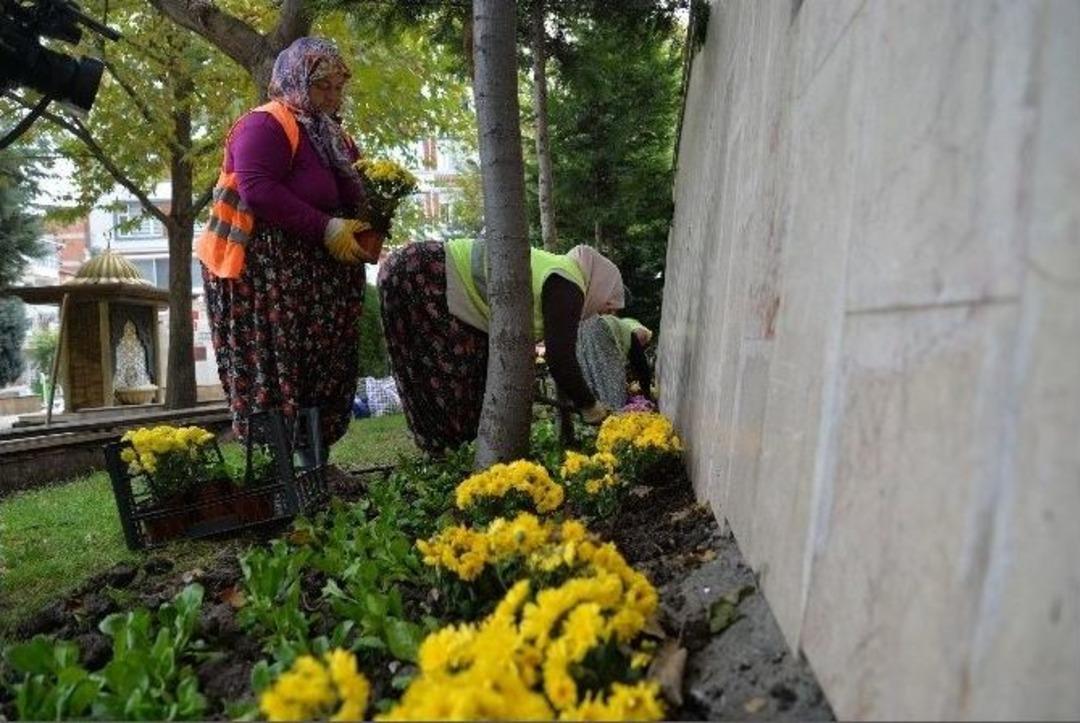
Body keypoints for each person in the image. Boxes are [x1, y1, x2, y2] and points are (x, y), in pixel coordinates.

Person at [199, 37, 376, 465]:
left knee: (323, 369)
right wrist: (327, 226)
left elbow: (355, 192)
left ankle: (316, 467)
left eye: (338, 88)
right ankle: (288, 474)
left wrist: (373, 219)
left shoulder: (335, 138)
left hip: (320, 277)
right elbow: (258, 189)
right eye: (322, 86)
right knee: (281, 372)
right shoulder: (264, 125)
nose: (332, 97)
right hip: (263, 281)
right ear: (295, 79)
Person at [378, 238, 624, 454]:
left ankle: (448, 456)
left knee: (433, 374)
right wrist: (590, 406)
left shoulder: (558, 273)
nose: (602, 314)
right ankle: (453, 456)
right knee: (450, 379)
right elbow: (561, 359)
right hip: (427, 273)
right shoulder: (568, 283)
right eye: (607, 305)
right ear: (601, 287)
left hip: (411, 267)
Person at [575, 314, 654, 410]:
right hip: (598, 334)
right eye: (641, 338)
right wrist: (647, 395)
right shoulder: (627, 335)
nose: (642, 341)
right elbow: (641, 366)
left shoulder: (620, 329)